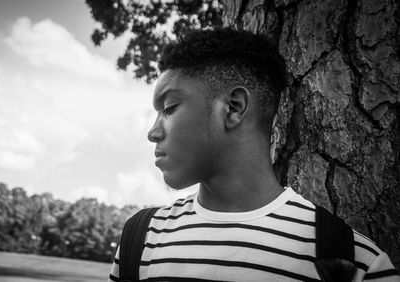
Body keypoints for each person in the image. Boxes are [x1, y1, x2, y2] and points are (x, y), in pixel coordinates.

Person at [108, 28, 399, 281]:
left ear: (233, 107)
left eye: (169, 108)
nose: (153, 132)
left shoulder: (354, 262)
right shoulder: (140, 238)